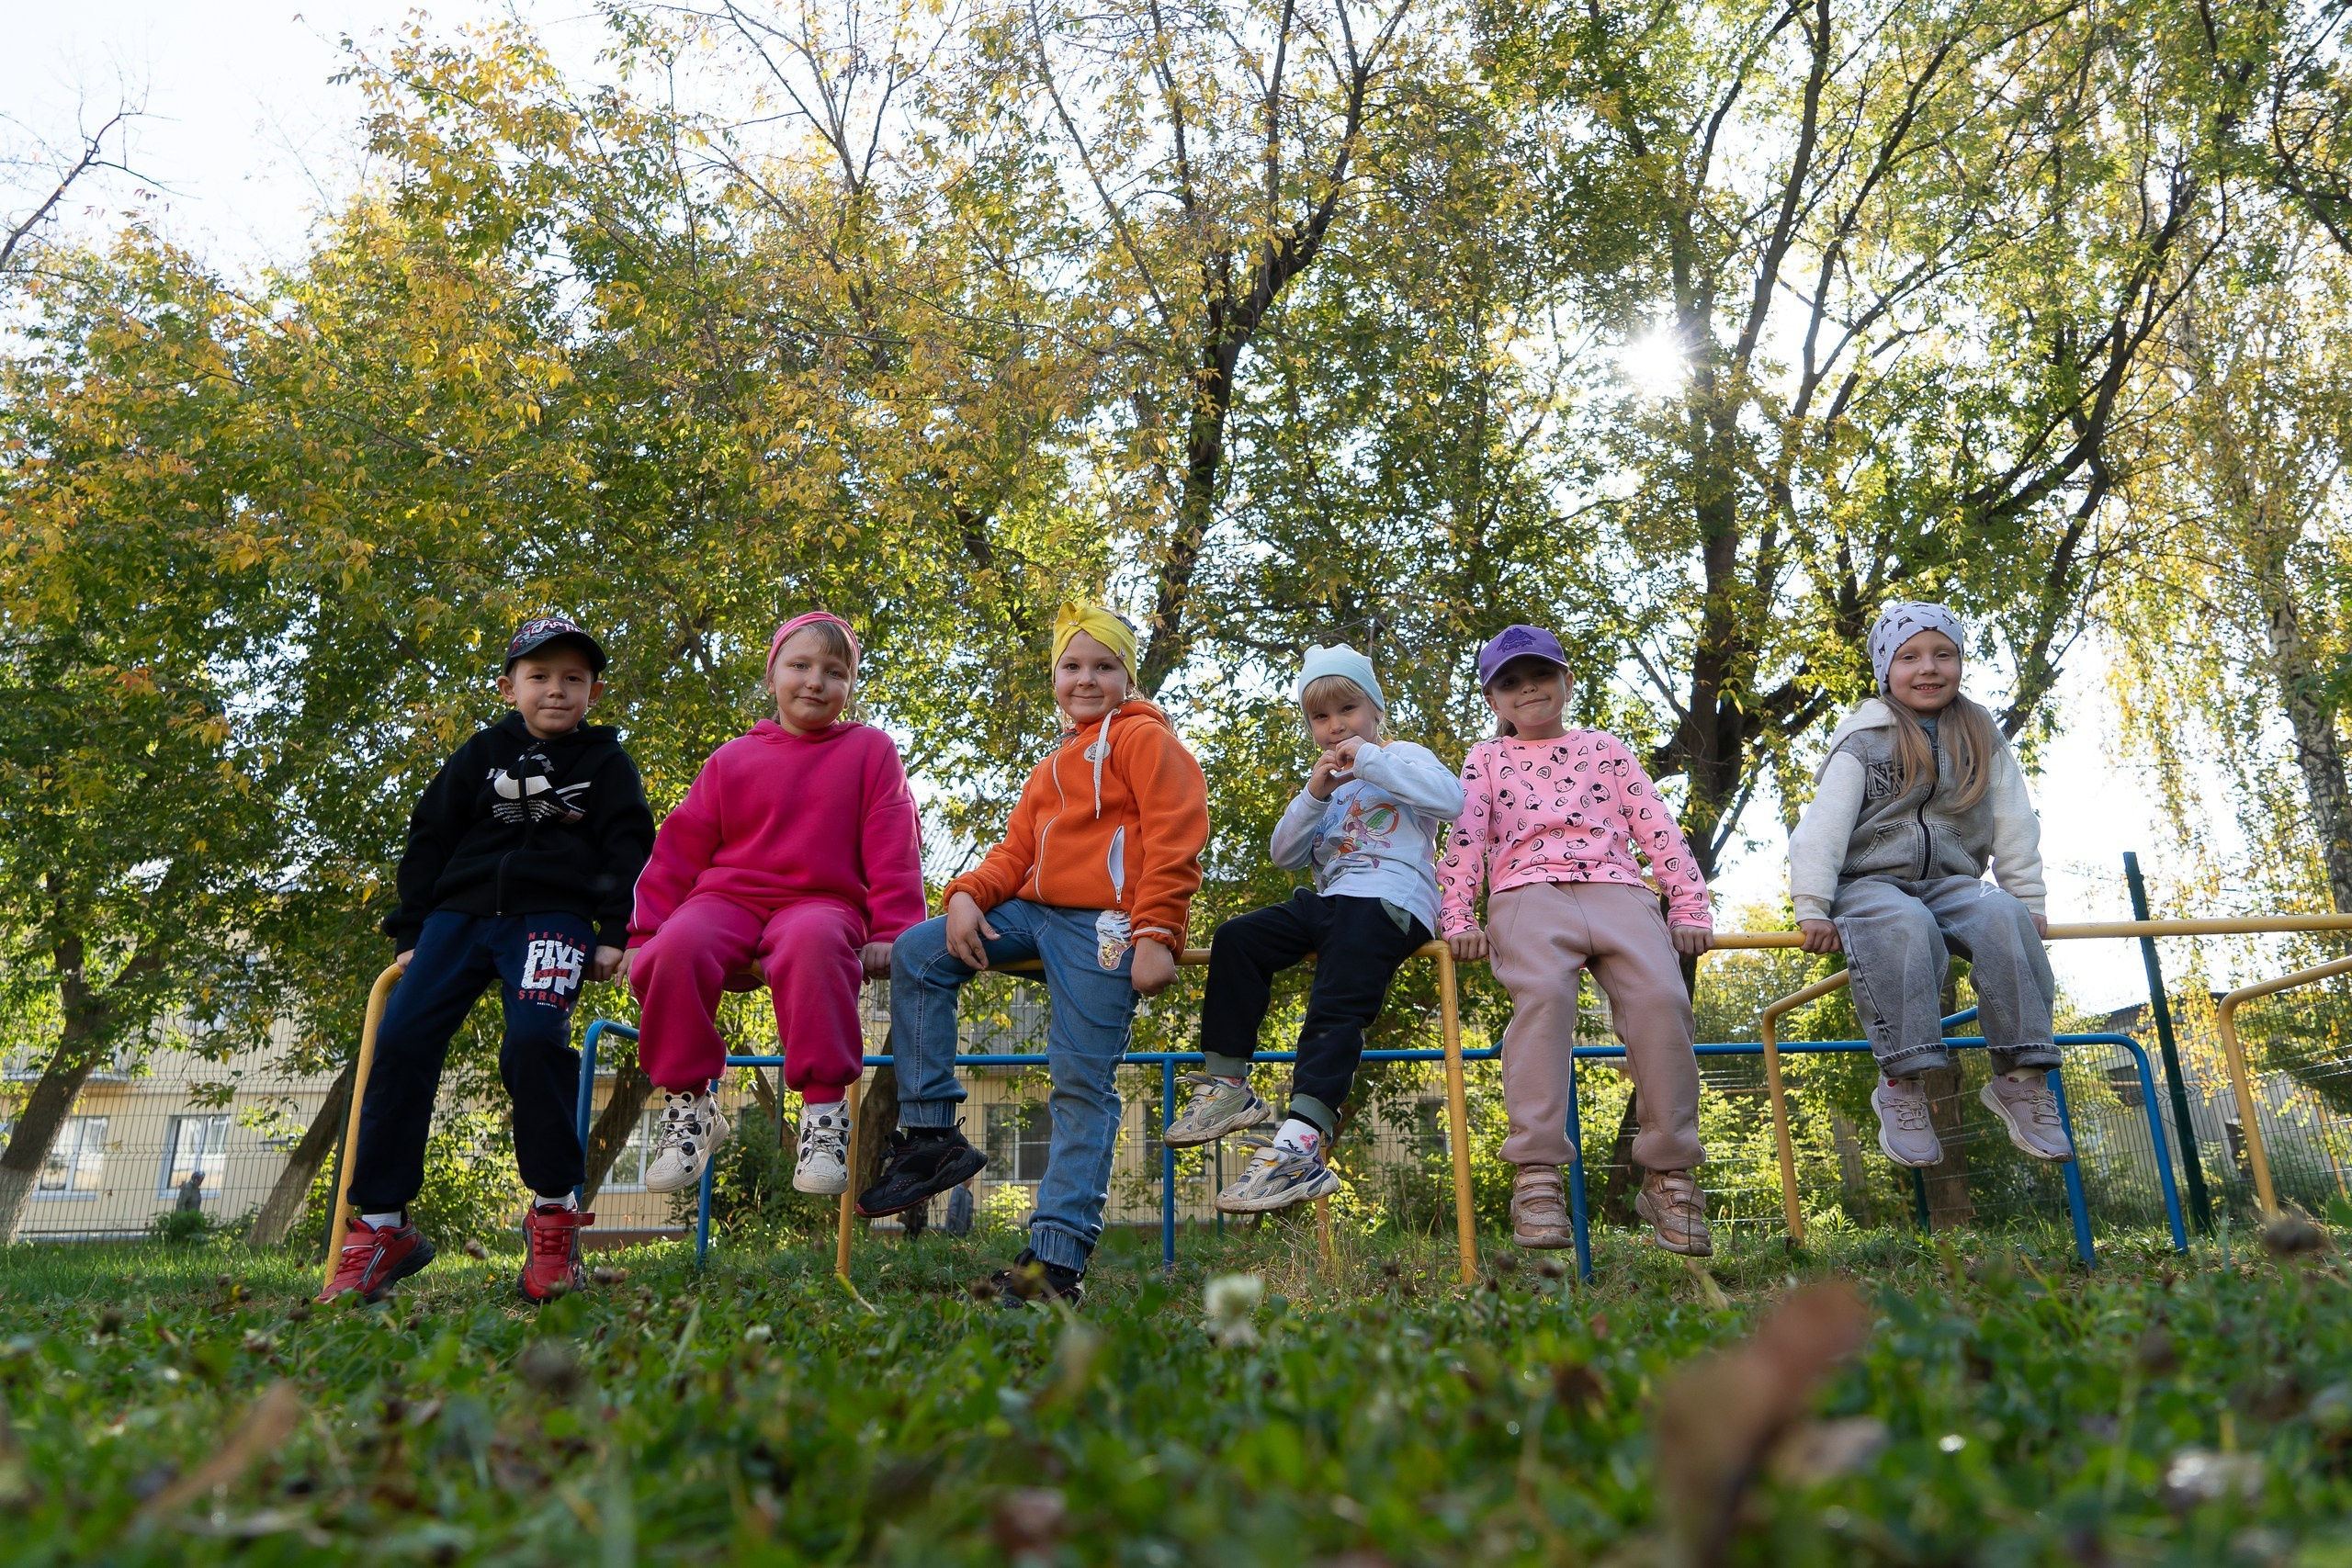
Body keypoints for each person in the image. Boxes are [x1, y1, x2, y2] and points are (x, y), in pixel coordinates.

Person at [856, 603, 1209, 1307]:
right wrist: (964, 896)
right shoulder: (1052, 764)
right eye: (1072, 666)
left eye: (1104, 666)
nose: (1087, 678)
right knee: (921, 952)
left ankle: (1055, 1262)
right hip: (1032, 911)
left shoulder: (1145, 740)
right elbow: (1017, 853)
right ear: (1054, 677)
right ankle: (931, 1133)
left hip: (1104, 926)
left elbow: (1176, 832)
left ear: (1127, 676)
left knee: (1081, 1083)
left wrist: (1157, 932)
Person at [323, 615, 655, 1304]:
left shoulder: (605, 764)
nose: (556, 691)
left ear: (593, 690)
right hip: (457, 918)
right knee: (403, 1039)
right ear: (510, 686)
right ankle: (383, 1223)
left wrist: (615, 930)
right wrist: (411, 929)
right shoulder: (481, 755)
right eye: (539, 677)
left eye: (573, 679)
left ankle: (553, 1212)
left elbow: (630, 851)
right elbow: (429, 836)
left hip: (553, 920)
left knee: (534, 1045)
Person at [1437, 625, 1716, 1257]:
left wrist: (1689, 900)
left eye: (1540, 675)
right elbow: (1466, 840)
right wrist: (1457, 916)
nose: (1527, 688)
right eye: (1510, 681)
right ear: (1493, 701)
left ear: (1566, 682)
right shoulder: (1486, 759)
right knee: (1542, 1001)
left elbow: (1657, 826)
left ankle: (1670, 1174)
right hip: (1526, 894)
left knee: (1661, 1000)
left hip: (1618, 889)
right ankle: (1536, 1171)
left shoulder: (1605, 748)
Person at [623, 612, 924, 1198]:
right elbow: (676, 853)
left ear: (850, 687)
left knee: (813, 943)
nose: (815, 681)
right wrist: (641, 936)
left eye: (834, 672)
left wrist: (894, 929)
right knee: (677, 947)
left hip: (820, 901)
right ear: (772, 677)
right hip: (727, 897)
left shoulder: (870, 751)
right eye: (801, 666)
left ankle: (822, 1112)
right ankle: (689, 1106)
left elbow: (893, 844)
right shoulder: (732, 760)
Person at [1165, 645, 1463, 1214]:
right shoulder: (1327, 784)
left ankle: (1300, 1146)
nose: (1335, 727)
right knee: (1238, 938)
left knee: (1335, 1001)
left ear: (1375, 711)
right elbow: (1284, 854)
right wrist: (1313, 794)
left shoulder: (1400, 756)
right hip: (1332, 901)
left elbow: (1450, 800)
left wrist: (1371, 760)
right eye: (1320, 718)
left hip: (1387, 900)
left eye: (1347, 710)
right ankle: (1228, 1085)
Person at [1787, 601, 2070, 1168]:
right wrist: (1812, 904)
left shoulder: (1980, 734)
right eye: (1910, 657)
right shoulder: (1865, 737)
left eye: (1944, 655)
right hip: (1869, 880)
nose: (1929, 669)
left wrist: (2027, 896)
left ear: (1961, 663)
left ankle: (2021, 1078)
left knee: (2004, 916)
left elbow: (2013, 819)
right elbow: (1823, 826)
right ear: (1885, 669)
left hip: (1953, 878)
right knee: (1906, 926)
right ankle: (1902, 1086)